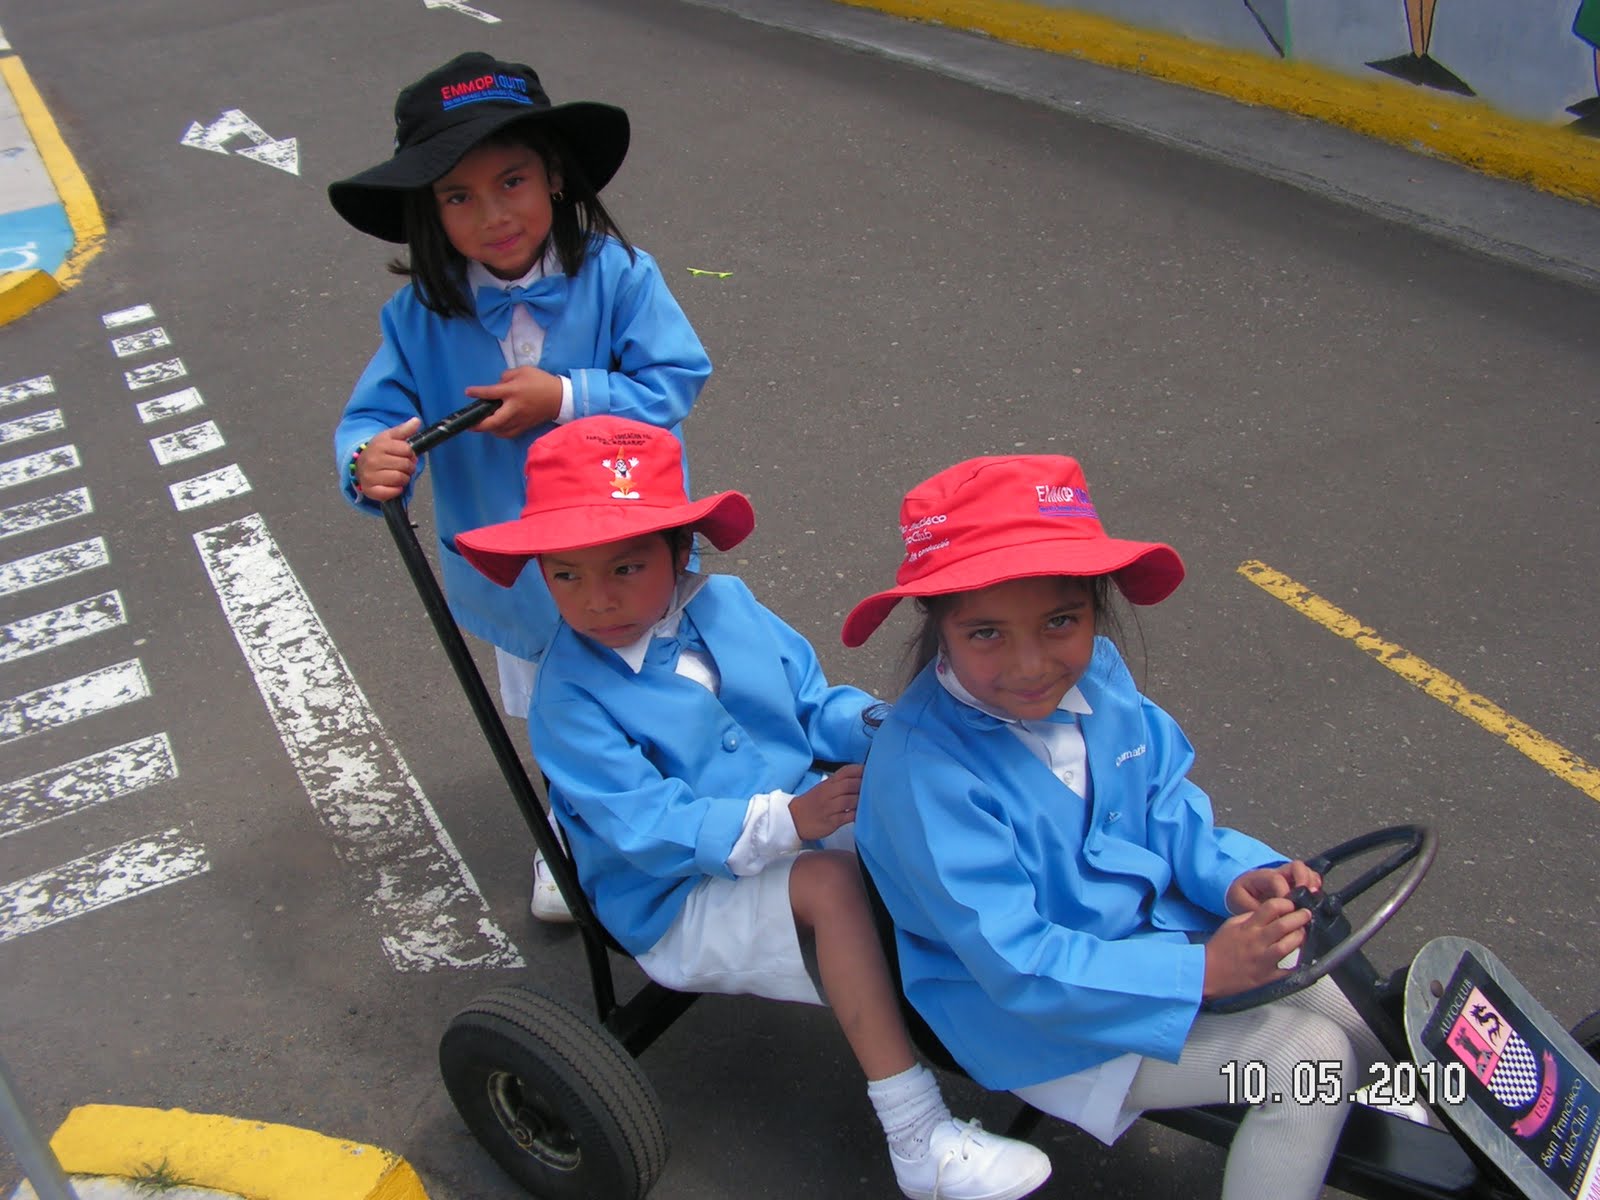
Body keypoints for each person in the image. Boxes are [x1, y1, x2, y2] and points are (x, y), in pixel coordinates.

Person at [454, 417, 1053, 1200]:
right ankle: (917, 1137)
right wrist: (787, 822)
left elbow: (811, 703)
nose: (597, 599)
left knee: (930, 808)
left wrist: (898, 729)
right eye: (565, 576)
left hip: (783, 824)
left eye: (626, 567)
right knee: (835, 885)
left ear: (680, 551)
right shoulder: (568, 697)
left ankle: (1036, 980)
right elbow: (643, 823)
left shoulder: (728, 606)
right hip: (669, 890)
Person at [843, 454, 1397, 1200]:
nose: (1033, 662)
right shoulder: (924, 776)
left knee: (1355, 1007)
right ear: (937, 625)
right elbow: (1020, 963)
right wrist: (1200, 972)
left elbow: (1166, 804)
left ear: (1096, 611)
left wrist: (1235, 872)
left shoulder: (1099, 674)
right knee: (1311, 1060)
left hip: (1146, 942)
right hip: (1036, 1018)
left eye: (1060, 621)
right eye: (987, 635)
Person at [328, 52, 712, 921]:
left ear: (555, 176)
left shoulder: (619, 275)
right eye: (459, 197)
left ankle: (689, 811)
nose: (493, 214)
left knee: (662, 677)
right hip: (515, 570)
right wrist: (369, 460)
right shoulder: (418, 316)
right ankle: (574, 834)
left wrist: (568, 397)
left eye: (512, 181)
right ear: (430, 212)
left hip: (628, 544)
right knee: (560, 711)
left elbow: (673, 381)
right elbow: (371, 421)